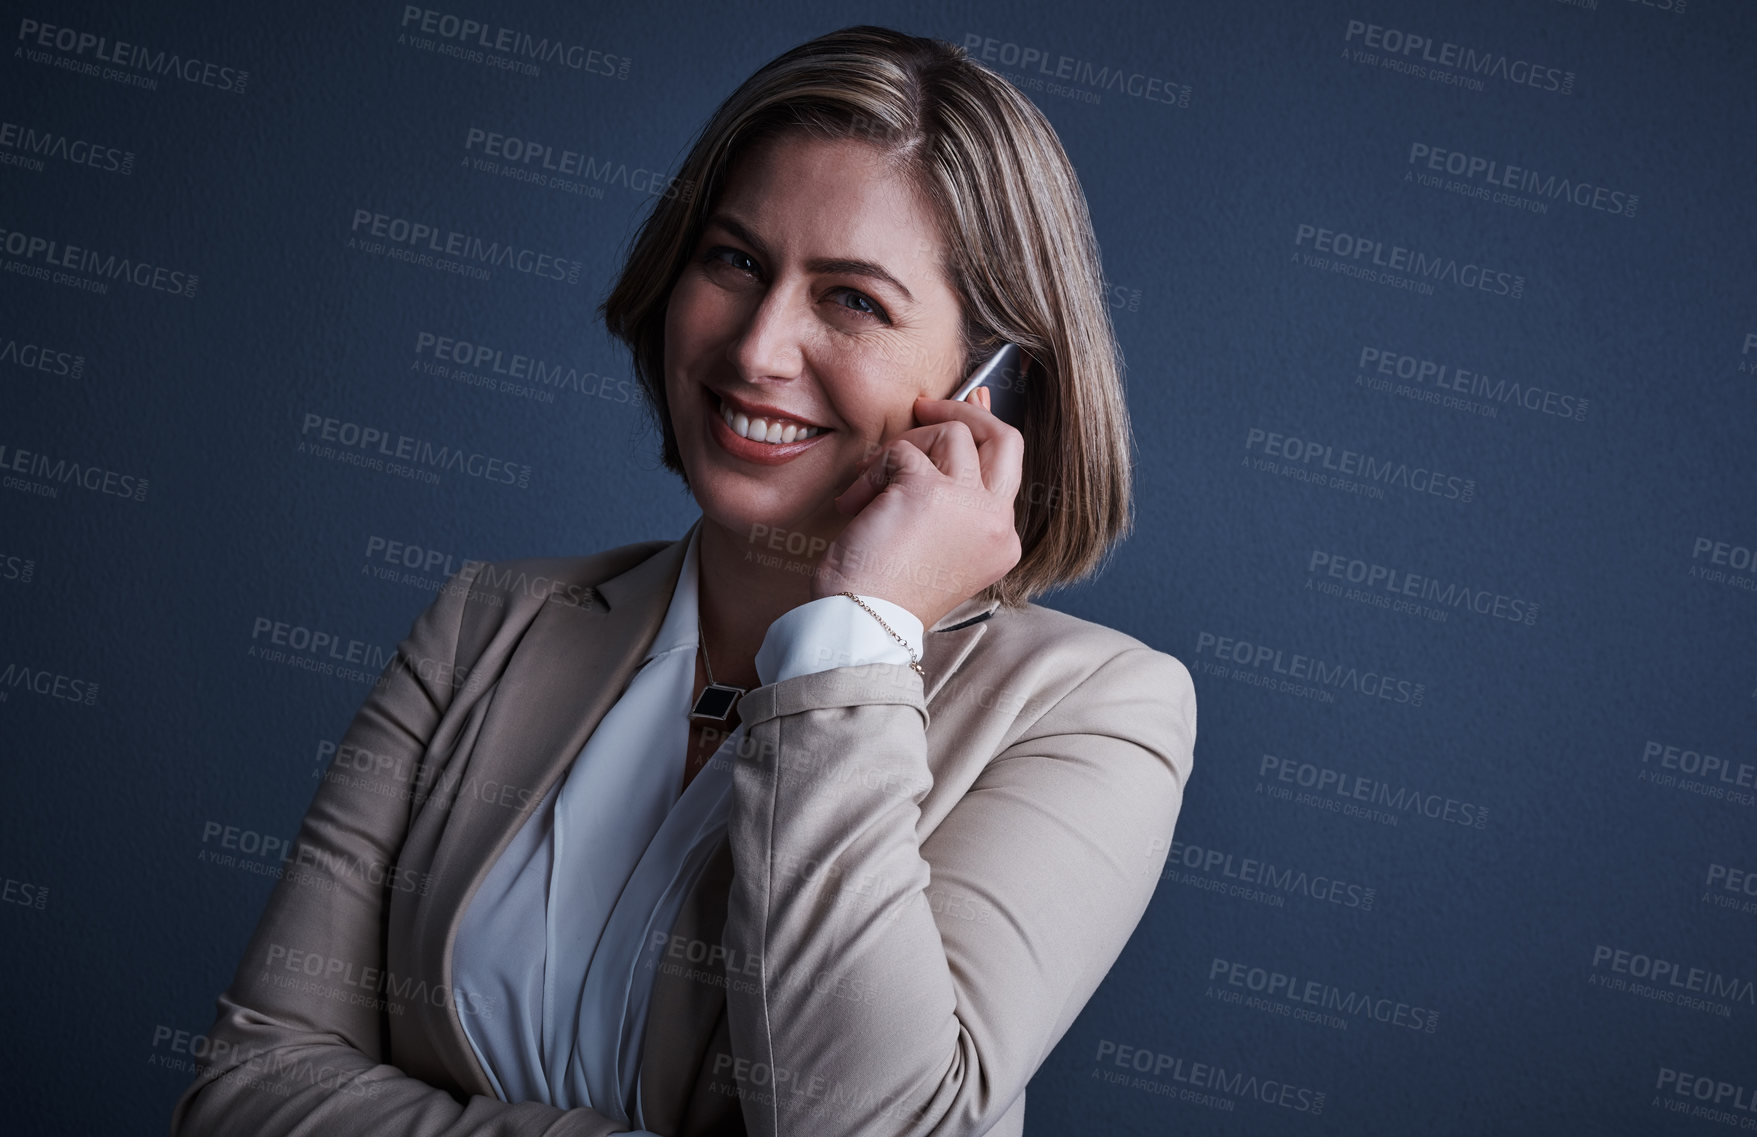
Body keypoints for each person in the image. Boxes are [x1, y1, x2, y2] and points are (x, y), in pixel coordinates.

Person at [172, 24, 1196, 1137]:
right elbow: (245, 1090)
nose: (757, 349)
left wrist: (858, 635)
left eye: (851, 300)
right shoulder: (489, 625)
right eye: (736, 262)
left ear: (987, 388)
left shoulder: (1093, 713)